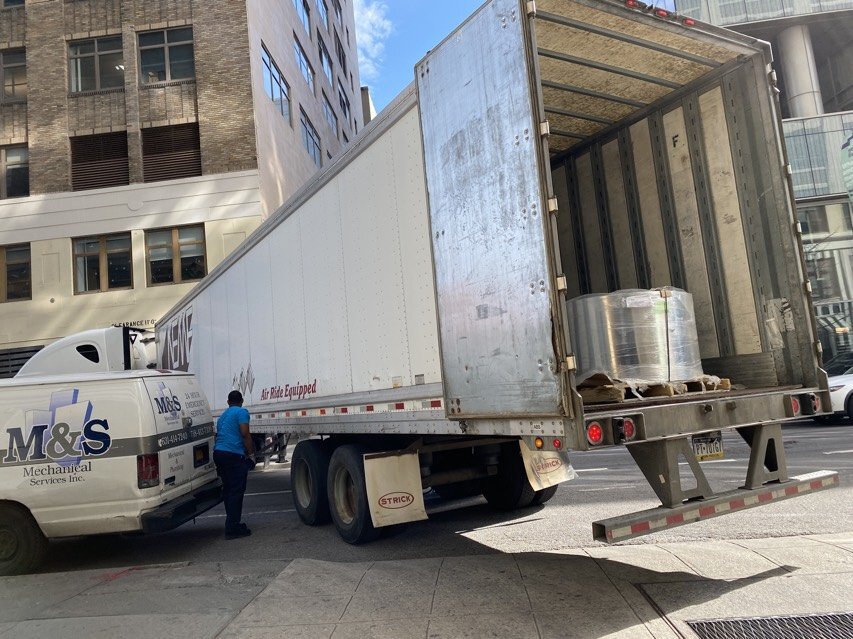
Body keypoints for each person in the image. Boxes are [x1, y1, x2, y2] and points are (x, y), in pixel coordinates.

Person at [213, 390, 256, 539]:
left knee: (229, 490)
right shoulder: (242, 412)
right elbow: (245, 433)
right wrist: (251, 455)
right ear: (242, 401)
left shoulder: (223, 416)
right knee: (237, 491)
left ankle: (231, 523)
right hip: (233, 455)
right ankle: (232, 527)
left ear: (228, 402)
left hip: (219, 453)